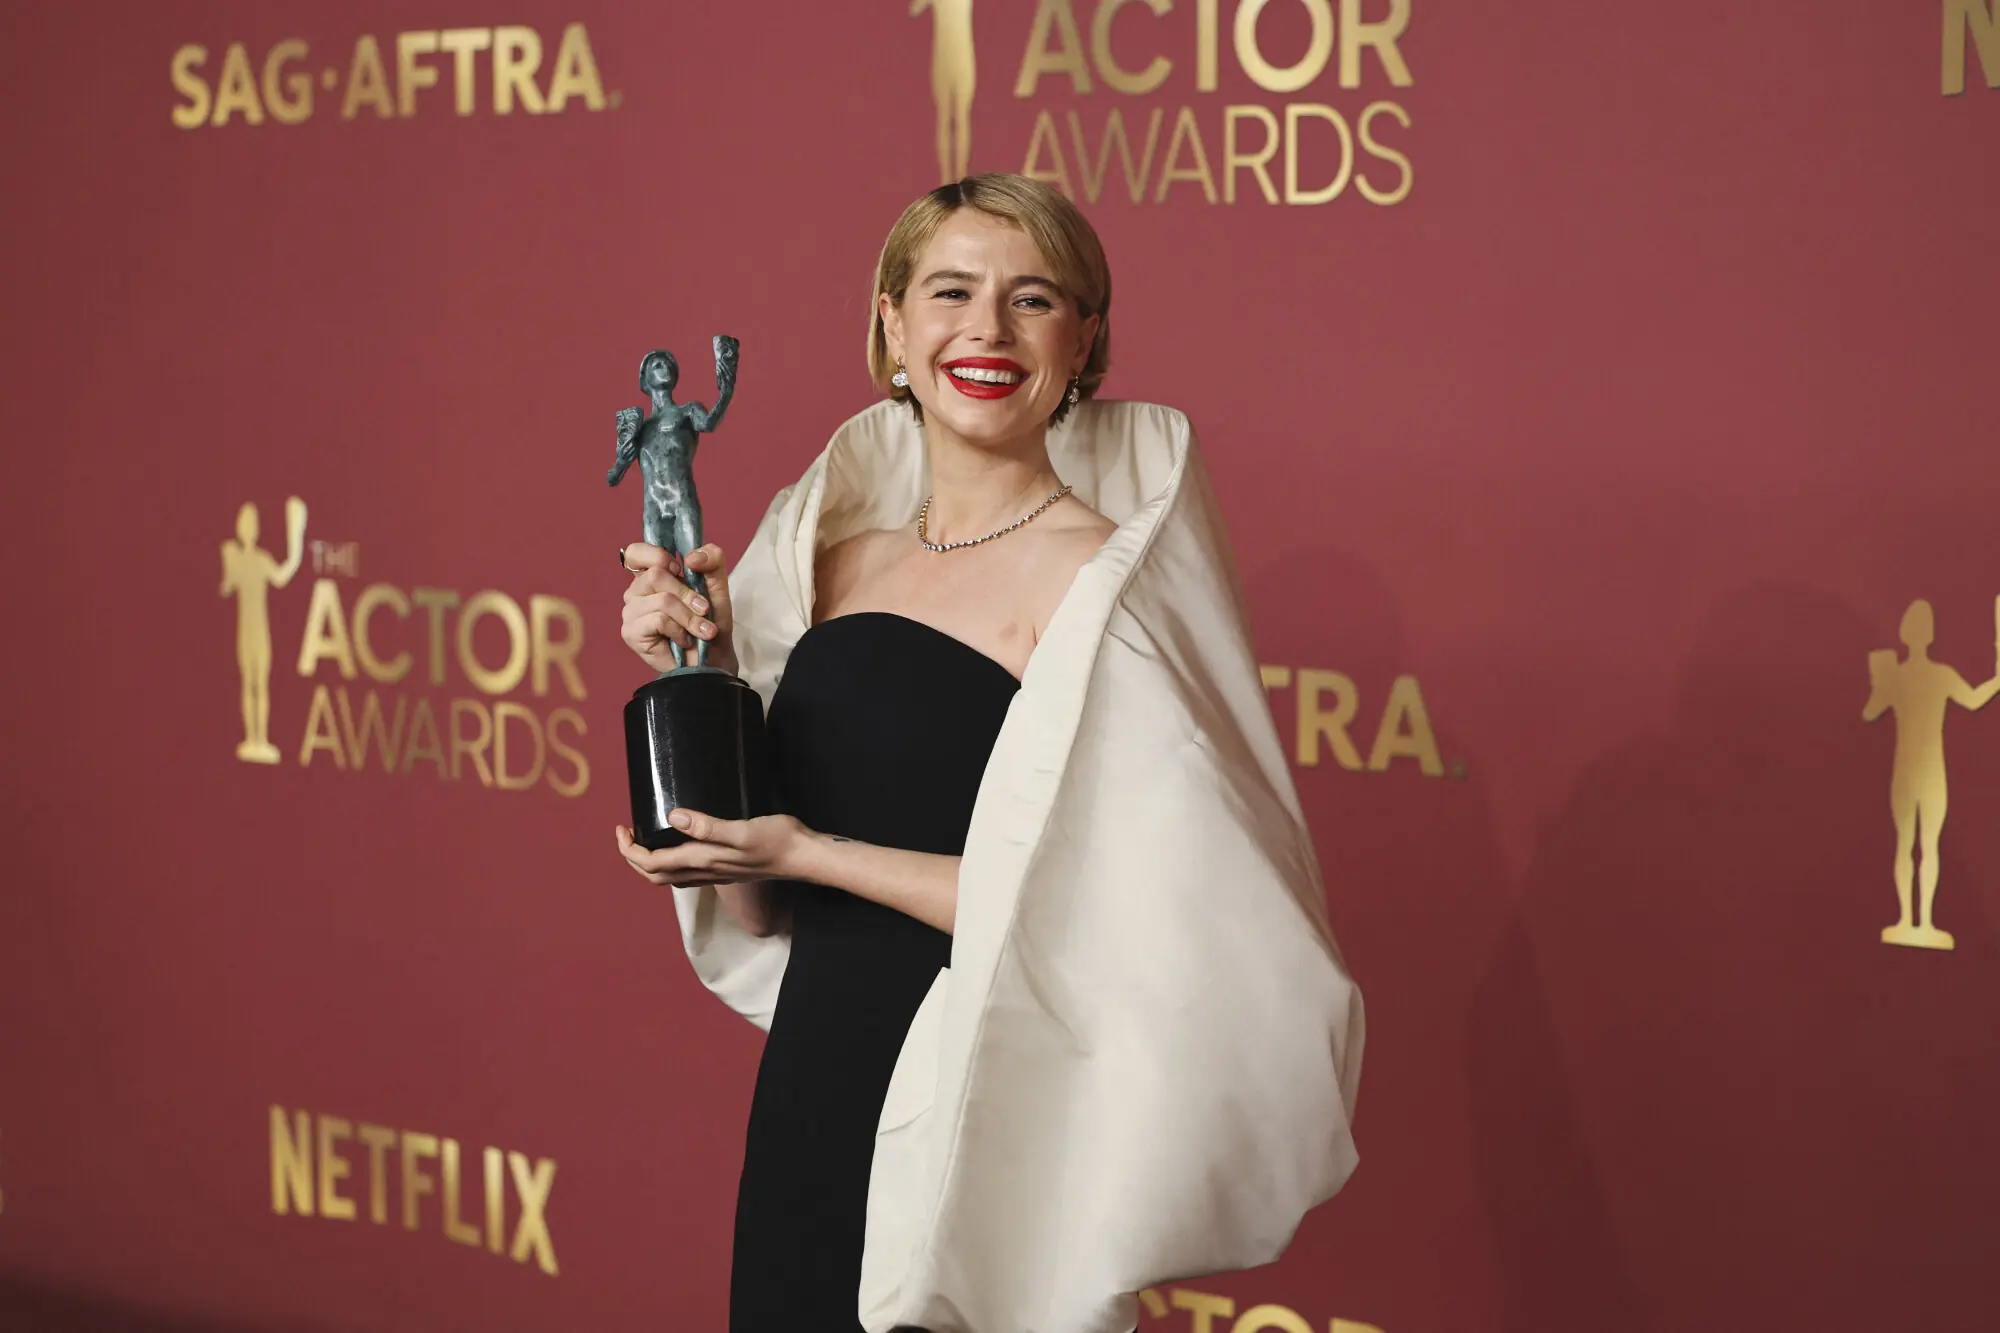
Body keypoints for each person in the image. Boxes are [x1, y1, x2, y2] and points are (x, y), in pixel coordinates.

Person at [614, 173, 1363, 1333]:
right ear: (890, 324)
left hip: (981, 1119)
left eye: (1031, 300)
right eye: (950, 292)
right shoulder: (822, 557)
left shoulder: (1102, 582)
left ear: (1085, 340)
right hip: (817, 1097)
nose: (985, 331)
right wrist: (693, 683)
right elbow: (762, 913)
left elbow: (1108, 922)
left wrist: (813, 851)